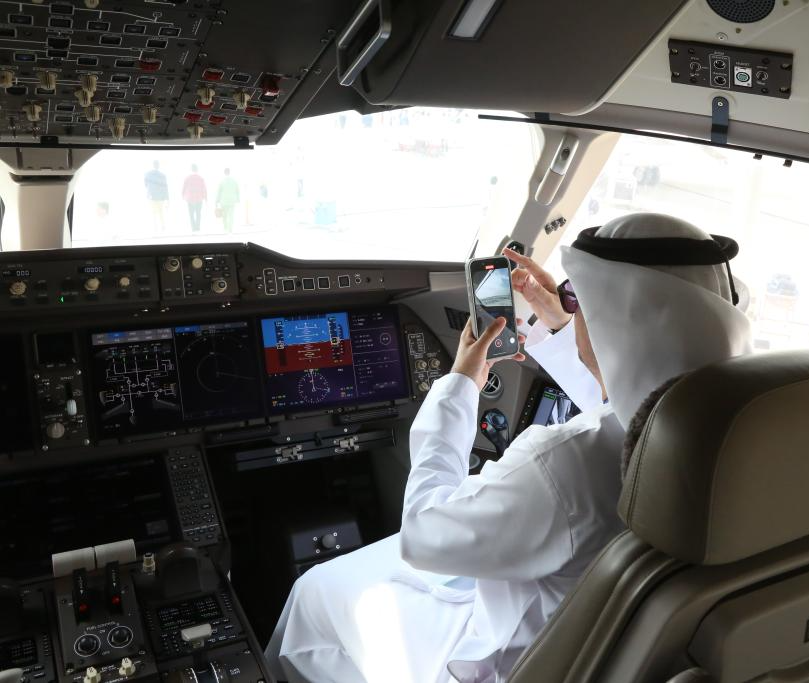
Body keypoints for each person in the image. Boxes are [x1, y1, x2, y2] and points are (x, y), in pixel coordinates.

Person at [265, 213, 753, 683]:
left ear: (611, 320)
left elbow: (423, 533)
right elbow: (626, 412)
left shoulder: (564, 463)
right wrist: (562, 328)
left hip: (521, 660)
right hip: (620, 653)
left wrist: (459, 387)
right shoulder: (735, 428)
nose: (572, 310)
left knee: (316, 591)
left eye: (579, 301)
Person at [143, 161, 168, 232]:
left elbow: (145, 185)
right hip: (160, 197)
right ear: (158, 166)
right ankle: (163, 226)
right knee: (161, 211)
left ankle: (155, 227)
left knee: (153, 212)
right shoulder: (163, 175)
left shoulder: (147, 174)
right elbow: (165, 187)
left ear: (152, 165)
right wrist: (166, 198)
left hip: (151, 196)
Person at [182, 164, 207, 233]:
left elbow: (184, 188)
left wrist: (183, 196)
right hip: (199, 198)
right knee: (198, 213)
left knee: (191, 214)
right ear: (197, 169)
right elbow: (204, 188)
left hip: (190, 198)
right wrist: (205, 197)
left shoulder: (187, 178)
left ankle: (193, 228)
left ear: (191, 169)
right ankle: (198, 228)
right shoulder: (201, 178)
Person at [215, 168, 240, 233]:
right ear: (229, 172)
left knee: (224, 216)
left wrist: (216, 200)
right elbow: (237, 191)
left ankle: (225, 228)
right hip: (232, 201)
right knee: (231, 215)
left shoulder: (222, 181)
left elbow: (219, 192)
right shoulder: (234, 181)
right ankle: (230, 229)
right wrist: (238, 199)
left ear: (224, 173)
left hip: (223, 201)